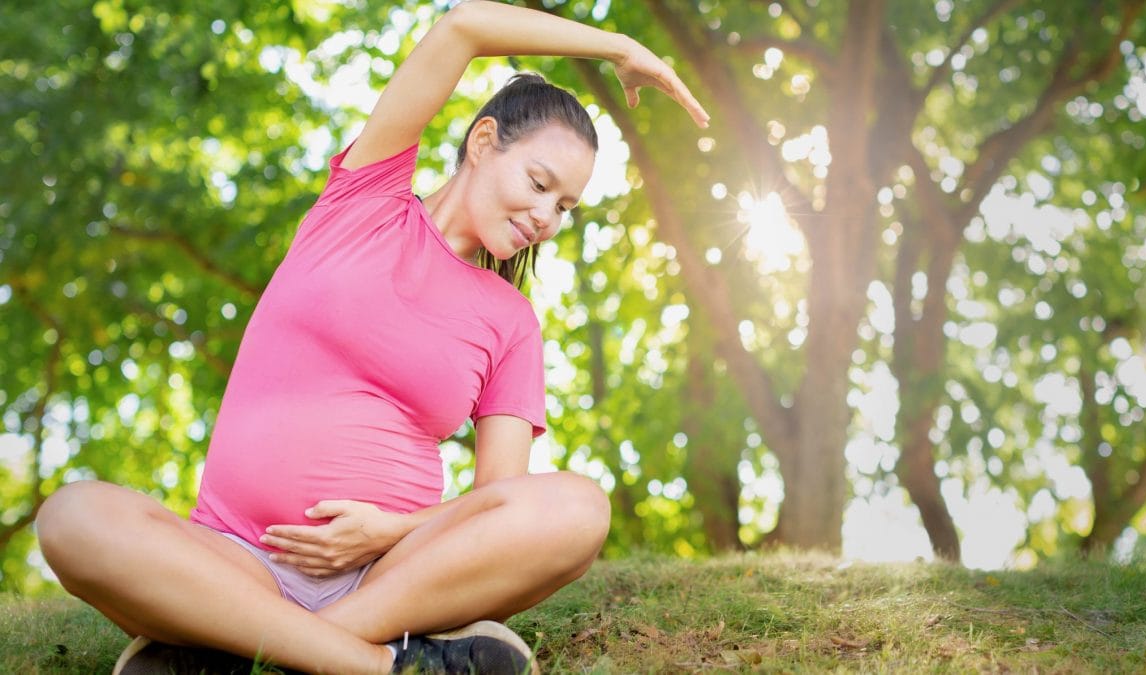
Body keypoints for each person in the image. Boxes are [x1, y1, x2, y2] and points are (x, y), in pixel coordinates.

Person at [35, 1, 709, 674]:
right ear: (481, 144)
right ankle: (377, 665)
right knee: (73, 518)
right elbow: (463, 28)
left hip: (388, 579)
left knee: (577, 508)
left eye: (564, 206)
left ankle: (241, 646)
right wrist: (616, 44)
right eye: (539, 183)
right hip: (232, 556)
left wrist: (387, 532)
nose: (546, 216)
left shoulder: (510, 321)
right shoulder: (364, 199)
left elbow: (496, 503)